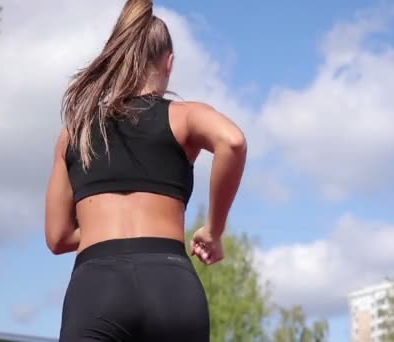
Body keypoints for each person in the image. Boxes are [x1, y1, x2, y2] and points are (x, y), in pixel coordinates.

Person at [44, 0, 247, 341]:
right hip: (171, 283)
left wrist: (101, 225)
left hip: (97, 287)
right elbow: (233, 141)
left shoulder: (74, 133)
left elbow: (58, 236)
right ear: (169, 63)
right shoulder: (183, 116)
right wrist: (213, 229)